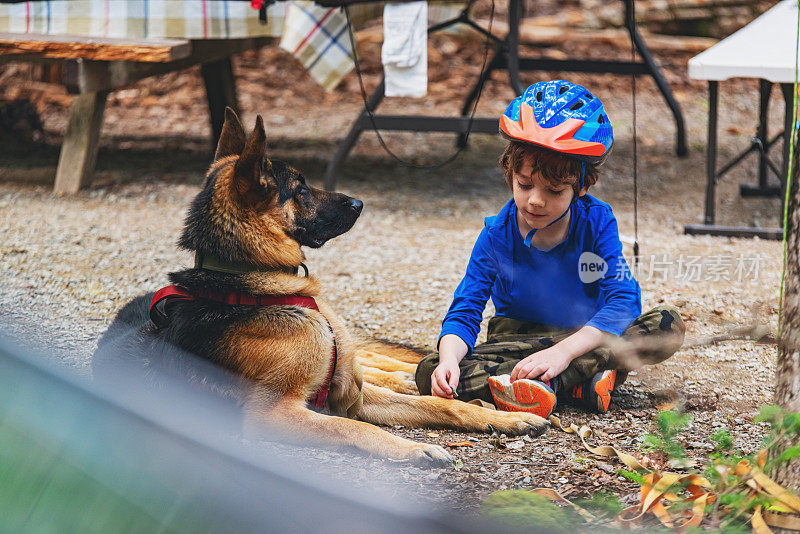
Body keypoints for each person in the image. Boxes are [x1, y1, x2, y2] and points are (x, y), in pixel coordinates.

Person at [415, 80, 685, 418]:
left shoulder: (597, 222)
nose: (535, 200)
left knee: (666, 323)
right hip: (519, 342)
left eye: (554, 190)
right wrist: (448, 362)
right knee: (427, 370)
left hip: (585, 335)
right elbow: (465, 310)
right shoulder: (496, 234)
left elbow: (623, 301)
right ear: (509, 172)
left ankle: (548, 382)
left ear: (582, 186)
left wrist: (563, 355)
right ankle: (581, 381)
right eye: (524, 185)